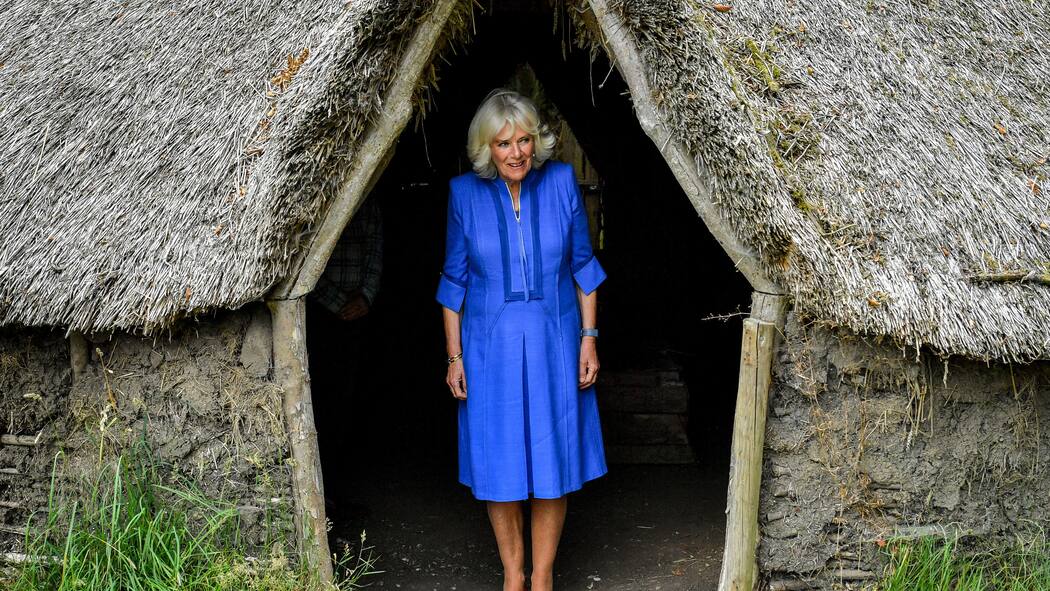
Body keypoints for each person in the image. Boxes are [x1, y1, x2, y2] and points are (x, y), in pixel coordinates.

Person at [435, 88, 607, 591]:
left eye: (524, 140)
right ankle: (513, 576)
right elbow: (453, 283)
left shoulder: (561, 182)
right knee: (500, 464)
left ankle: (543, 576)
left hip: (556, 343)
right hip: (489, 352)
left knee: (553, 462)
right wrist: (454, 357)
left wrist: (589, 338)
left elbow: (583, 268)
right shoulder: (463, 194)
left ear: (537, 141)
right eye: (504, 143)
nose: (516, 153)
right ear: (486, 148)